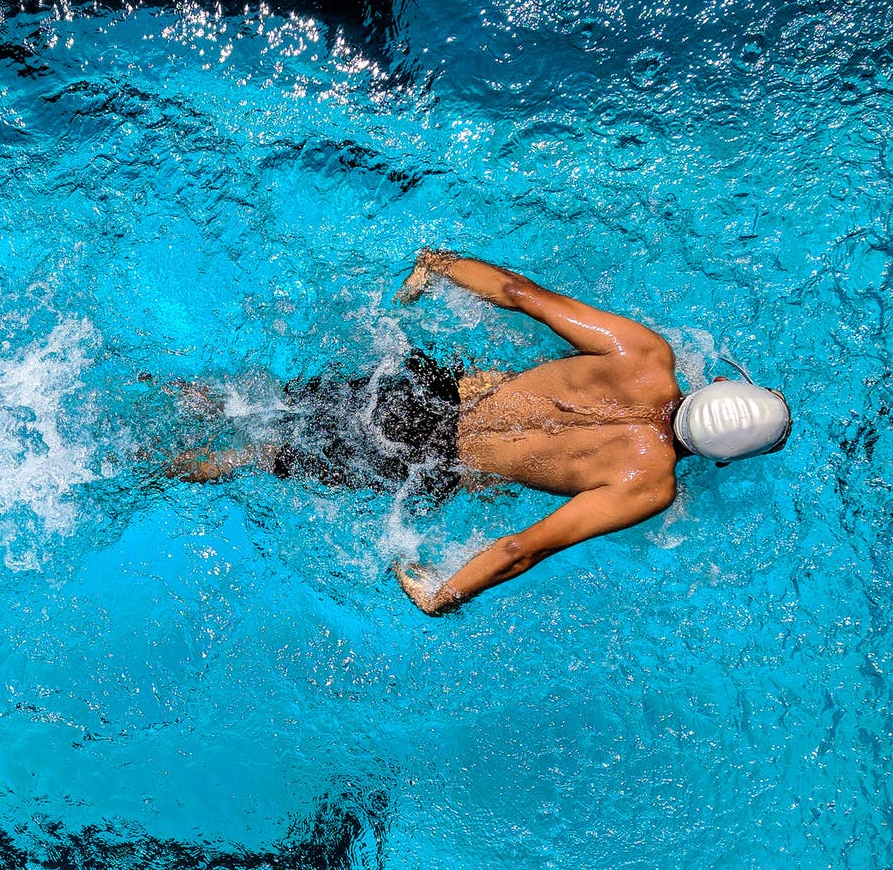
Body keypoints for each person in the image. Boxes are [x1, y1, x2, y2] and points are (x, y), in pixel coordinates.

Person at [167, 250, 792, 614]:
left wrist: (440, 265)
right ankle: (150, 467)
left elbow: (521, 294)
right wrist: (443, 594)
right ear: (723, 459)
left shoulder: (645, 355)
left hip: (422, 392)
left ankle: (164, 392)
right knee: (260, 457)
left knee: (256, 403)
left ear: (717, 385)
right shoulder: (649, 485)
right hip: (426, 461)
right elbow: (525, 547)